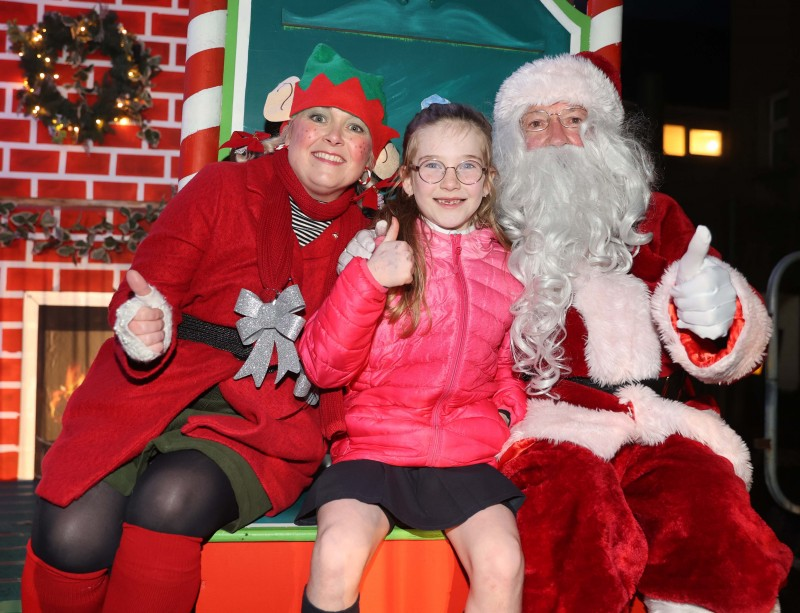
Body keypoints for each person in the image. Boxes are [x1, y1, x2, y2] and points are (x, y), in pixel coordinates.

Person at [21, 43, 399, 613]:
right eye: (317, 117)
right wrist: (142, 320)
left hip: (270, 415)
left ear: (372, 160)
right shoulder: (222, 186)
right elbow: (151, 281)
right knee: (71, 531)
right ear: (288, 125)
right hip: (160, 383)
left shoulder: (372, 243)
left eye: (353, 129)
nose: (331, 136)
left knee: (171, 498)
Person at [491, 51, 794, 612]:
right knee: (571, 524)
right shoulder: (496, 230)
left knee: (711, 521)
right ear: (513, 145)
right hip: (548, 428)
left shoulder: (654, 217)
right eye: (536, 122)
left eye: (574, 117)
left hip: (659, 422)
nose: (558, 135)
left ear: (603, 131)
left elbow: (728, 344)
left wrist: (718, 314)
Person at [295, 101, 527, 613]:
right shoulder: (374, 249)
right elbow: (323, 366)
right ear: (406, 178)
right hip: (376, 447)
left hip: (464, 452)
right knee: (337, 553)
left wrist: (508, 410)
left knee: (503, 562)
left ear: (488, 181)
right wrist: (370, 281)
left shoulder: (509, 267)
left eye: (467, 165)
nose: (450, 181)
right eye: (432, 166)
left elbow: (507, 365)